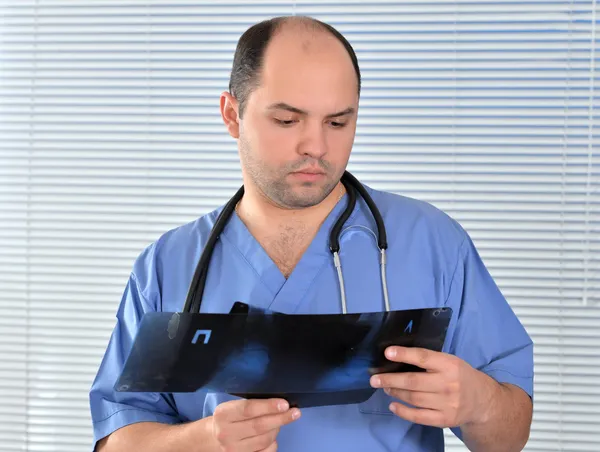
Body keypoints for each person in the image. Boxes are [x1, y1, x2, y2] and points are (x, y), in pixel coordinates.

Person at [89, 15, 534, 452]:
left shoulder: (432, 243)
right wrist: (201, 442)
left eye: (338, 122)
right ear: (232, 114)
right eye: (287, 120)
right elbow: (118, 436)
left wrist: (480, 403)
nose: (316, 147)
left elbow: (510, 435)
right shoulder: (168, 264)